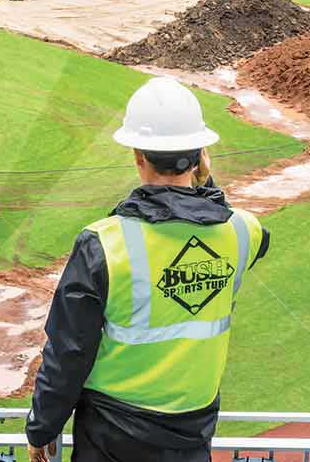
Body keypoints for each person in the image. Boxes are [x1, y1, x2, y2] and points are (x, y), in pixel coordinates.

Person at [26, 77, 269, 462]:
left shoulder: (102, 244)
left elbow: (69, 350)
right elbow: (225, 215)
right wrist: (207, 186)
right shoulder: (242, 232)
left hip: (110, 436)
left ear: (138, 156)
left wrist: (43, 427)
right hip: (192, 434)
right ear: (200, 155)